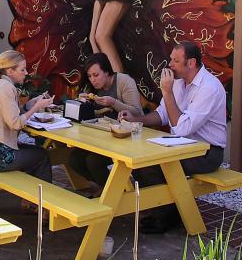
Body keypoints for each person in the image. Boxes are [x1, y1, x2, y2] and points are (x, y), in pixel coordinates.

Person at [119, 41, 227, 233]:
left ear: (191, 63)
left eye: (175, 61)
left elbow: (182, 128)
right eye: (171, 59)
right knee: (139, 161)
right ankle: (166, 210)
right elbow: (162, 114)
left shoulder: (209, 88)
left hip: (207, 152)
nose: (170, 64)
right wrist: (136, 120)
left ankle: (167, 216)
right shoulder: (178, 83)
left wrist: (167, 92)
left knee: (153, 164)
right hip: (181, 146)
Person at [0, 51, 55, 189]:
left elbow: (9, 113)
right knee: (41, 156)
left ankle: (30, 202)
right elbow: (15, 123)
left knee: (34, 154)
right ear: (10, 71)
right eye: (22, 69)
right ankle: (42, 205)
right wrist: (36, 107)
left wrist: (30, 104)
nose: (26, 72)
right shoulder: (6, 88)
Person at [69, 53, 143, 194]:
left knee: (93, 161)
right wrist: (82, 104)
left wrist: (114, 103)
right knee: (75, 160)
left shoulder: (123, 81)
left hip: (126, 137)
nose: (93, 80)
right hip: (101, 137)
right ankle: (110, 190)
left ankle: (113, 194)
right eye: (90, 76)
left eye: (96, 75)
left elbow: (137, 113)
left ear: (107, 71)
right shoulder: (91, 88)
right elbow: (87, 116)